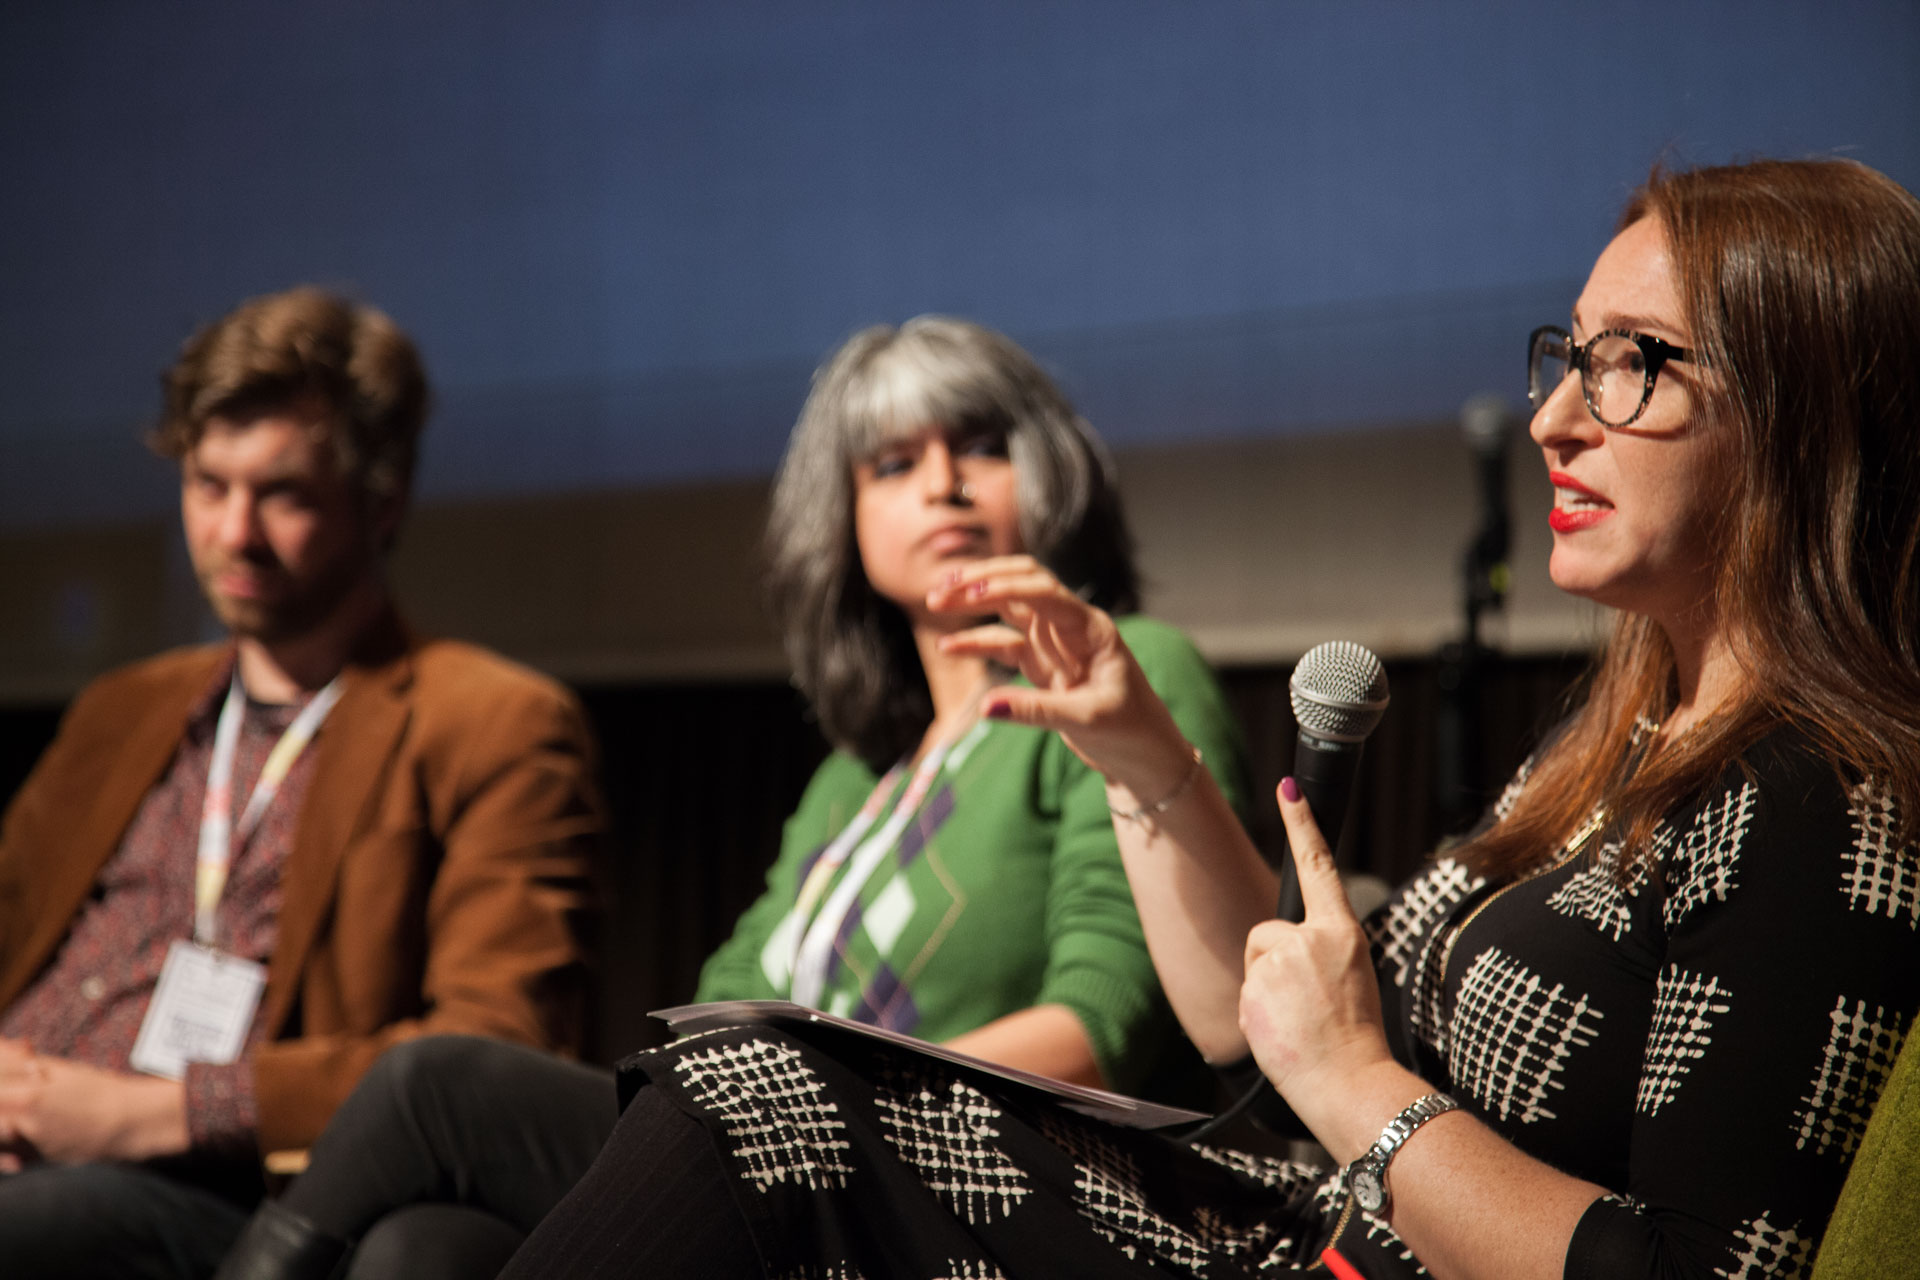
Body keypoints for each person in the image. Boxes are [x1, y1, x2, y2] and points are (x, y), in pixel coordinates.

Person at [499, 157, 1920, 1280]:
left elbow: (1693, 1270)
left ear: (1805, 415)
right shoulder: (1613, 747)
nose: (1555, 417)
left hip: (1300, 1244)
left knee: (759, 1110)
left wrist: (1357, 1084)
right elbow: (1247, 1023)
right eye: (1572, 352)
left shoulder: (1820, 802)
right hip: (1285, 1224)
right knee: (718, 1107)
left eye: (1638, 363)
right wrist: (1142, 762)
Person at [211, 316, 1248, 1279]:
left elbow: (1098, 1028)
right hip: (781, 1145)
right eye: (893, 463)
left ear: (1048, 472)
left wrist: (820, 1087)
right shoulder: (859, 775)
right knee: (423, 1245)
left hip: (994, 1180)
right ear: (842, 518)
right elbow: (724, 1001)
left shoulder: (1125, 679)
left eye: (978, 446)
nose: (944, 485)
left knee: (429, 1088)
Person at [0, 287, 606, 1280]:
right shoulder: (120, 711)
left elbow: (493, 1048)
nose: (234, 531)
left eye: (282, 493)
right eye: (208, 484)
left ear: (382, 502)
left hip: (229, 1194)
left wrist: (153, 1112)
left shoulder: (490, 722)